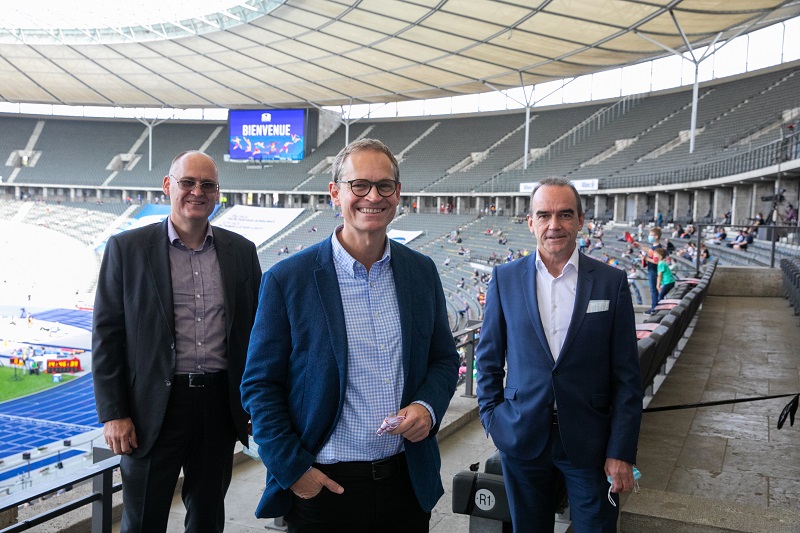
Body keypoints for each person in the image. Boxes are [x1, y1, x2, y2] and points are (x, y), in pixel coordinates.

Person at [240, 139, 459, 532]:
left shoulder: (421, 272)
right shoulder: (288, 280)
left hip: (406, 482)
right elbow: (259, 386)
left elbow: (444, 359)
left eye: (384, 186)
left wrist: (427, 407)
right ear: (335, 193)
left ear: (398, 194)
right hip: (325, 489)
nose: (372, 196)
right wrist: (294, 471)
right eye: (359, 185)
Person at [92, 151, 262, 533]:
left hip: (219, 406)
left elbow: (255, 333)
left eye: (208, 185)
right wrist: (114, 413)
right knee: (142, 521)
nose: (197, 192)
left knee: (207, 517)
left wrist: (256, 400)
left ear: (217, 193)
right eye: (188, 182)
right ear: (169, 186)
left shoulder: (241, 252)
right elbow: (107, 335)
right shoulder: (127, 249)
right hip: (151, 410)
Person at [475, 177, 642, 533]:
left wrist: (622, 450)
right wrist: (493, 419)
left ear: (581, 220)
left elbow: (628, 376)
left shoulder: (611, 282)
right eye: (544, 215)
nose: (555, 225)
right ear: (531, 222)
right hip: (521, 437)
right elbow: (488, 359)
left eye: (565, 214)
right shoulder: (505, 278)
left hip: (590, 442)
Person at [642, 227, 663, 314]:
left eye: (651, 235)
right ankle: (655, 307)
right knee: (653, 290)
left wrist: (646, 258)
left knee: (654, 290)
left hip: (654, 271)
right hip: (651, 270)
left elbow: (657, 261)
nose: (649, 236)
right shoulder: (653, 247)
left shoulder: (658, 248)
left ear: (656, 236)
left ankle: (654, 308)